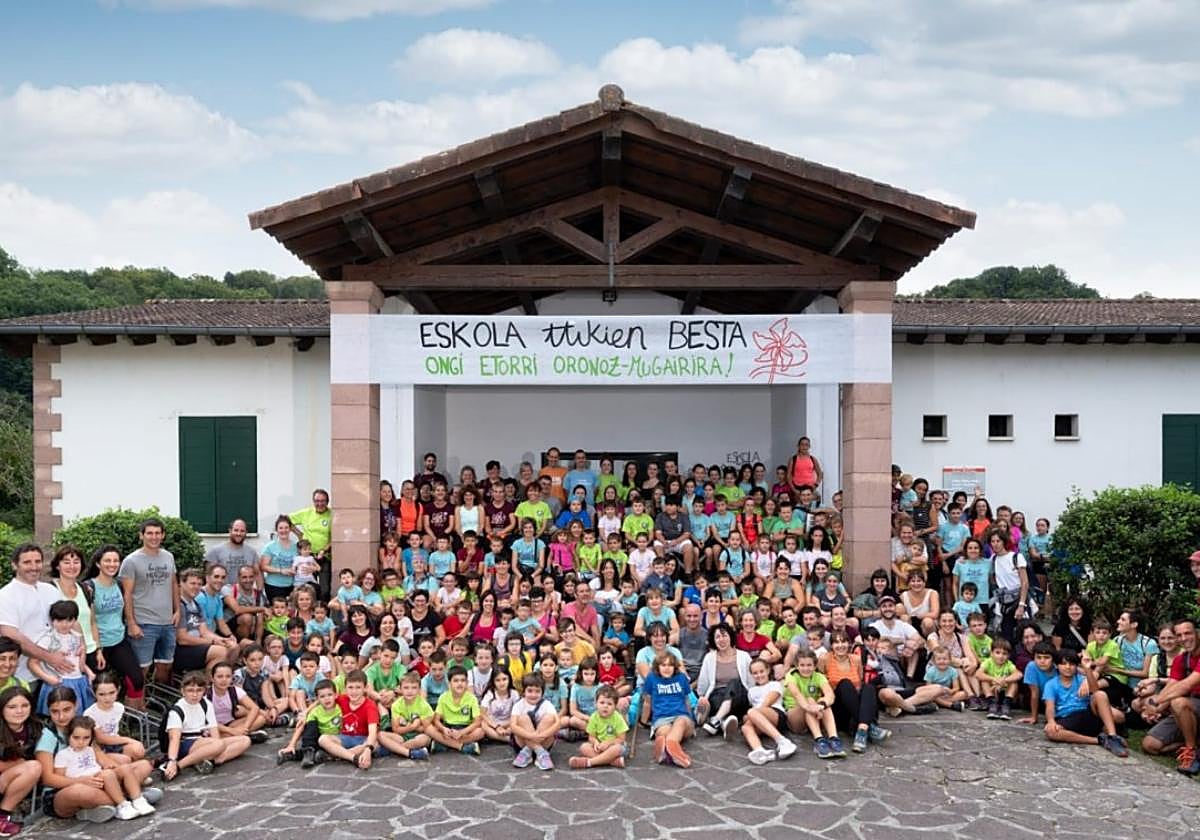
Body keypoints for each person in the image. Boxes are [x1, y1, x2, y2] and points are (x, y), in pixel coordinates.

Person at [36, 685, 160, 824]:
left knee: (140, 765)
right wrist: (81, 780)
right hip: (65, 789)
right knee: (80, 792)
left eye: (66, 710)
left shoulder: (81, 725)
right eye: (55, 712)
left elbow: (99, 755)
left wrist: (116, 770)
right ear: (49, 711)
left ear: (76, 705)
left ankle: (115, 802)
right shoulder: (48, 736)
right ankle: (134, 796)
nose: (61, 716)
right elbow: (48, 779)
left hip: (94, 776)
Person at [0, 544, 77, 688]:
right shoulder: (5, 596)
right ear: (14, 565)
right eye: (27, 562)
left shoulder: (50, 590)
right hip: (26, 675)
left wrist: (80, 644)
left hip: (57, 671)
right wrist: (49, 658)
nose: (34, 567)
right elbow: (11, 635)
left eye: (37, 561)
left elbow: (68, 619)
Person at [84, 545, 145, 709]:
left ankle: (128, 720)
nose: (112, 564)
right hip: (98, 645)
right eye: (107, 561)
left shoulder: (119, 585)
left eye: (116, 561)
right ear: (98, 564)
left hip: (118, 640)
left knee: (136, 680)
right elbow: (88, 621)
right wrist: (97, 649)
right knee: (98, 688)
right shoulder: (89, 587)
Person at [161, 670, 251, 779]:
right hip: (185, 744)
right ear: (183, 691)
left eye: (199, 690)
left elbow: (213, 729)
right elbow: (174, 738)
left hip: (203, 740)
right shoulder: (177, 710)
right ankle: (180, 765)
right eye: (190, 690)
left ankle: (209, 760)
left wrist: (217, 747)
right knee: (219, 745)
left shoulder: (206, 704)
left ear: (204, 691)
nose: (195, 694)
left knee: (245, 740)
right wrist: (172, 760)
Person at [1141, 617, 1200, 774]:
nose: (1183, 639)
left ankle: (1191, 751)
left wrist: (1156, 701)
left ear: (1197, 633)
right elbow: (1172, 684)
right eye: (1179, 635)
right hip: (1192, 705)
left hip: (1192, 703)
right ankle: (1193, 742)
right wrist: (1155, 708)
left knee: (1178, 702)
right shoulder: (1181, 659)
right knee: (1150, 745)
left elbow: (1186, 685)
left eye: (1188, 633)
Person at [1043, 650, 1128, 757]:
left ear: (1077, 666)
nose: (1068, 667)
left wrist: (1087, 669)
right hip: (1067, 717)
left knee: (1100, 695)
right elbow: (1049, 707)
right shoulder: (1050, 684)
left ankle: (1112, 736)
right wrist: (1051, 721)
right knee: (1051, 732)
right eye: (1063, 664)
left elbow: (1095, 690)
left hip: (1087, 713)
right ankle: (1099, 740)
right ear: (1056, 665)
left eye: (1072, 664)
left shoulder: (1082, 679)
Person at [29, 601, 94, 715]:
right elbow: (33, 663)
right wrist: (48, 679)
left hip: (79, 681)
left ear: (75, 620)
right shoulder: (48, 639)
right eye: (59, 620)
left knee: (78, 714)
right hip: (59, 682)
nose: (64, 624)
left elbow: (77, 660)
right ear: (52, 620)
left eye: (69, 620)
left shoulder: (76, 636)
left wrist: (89, 672)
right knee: (59, 715)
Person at [0, 685, 44, 833]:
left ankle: (2, 817)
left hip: (10, 781)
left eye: (25, 705)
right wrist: (17, 764)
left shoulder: (36, 727)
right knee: (32, 766)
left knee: (34, 767)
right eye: (12, 707)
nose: (19, 711)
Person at [782, 649, 843, 756]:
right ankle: (819, 740)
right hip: (796, 716)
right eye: (802, 665)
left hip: (815, 715)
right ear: (797, 665)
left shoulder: (819, 676)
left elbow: (830, 695)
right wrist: (811, 707)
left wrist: (821, 705)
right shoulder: (791, 675)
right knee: (810, 700)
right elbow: (797, 694)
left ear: (815, 666)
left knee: (825, 703)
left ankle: (833, 738)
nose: (806, 668)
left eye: (809, 665)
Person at [740, 657, 797, 765]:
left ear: (768, 670)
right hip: (760, 718)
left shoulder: (775, 684)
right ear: (751, 675)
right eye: (755, 673)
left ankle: (782, 741)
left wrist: (751, 715)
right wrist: (750, 717)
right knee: (745, 727)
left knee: (752, 712)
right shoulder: (751, 691)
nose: (759, 675)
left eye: (761, 671)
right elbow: (753, 710)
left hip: (775, 714)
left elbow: (768, 702)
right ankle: (760, 751)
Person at [290, 489, 334, 599]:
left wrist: (324, 549)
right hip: (306, 557)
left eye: (323, 501)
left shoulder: (332, 515)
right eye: (317, 501)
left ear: (327, 502)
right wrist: (299, 534)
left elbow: (335, 537)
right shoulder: (306, 513)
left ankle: (323, 613)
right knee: (307, 590)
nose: (319, 504)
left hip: (324, 556)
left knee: (325, 590)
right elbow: (286, 519)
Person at [511, 674, 559, 771]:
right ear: (524, 691)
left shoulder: (547, 705)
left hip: (544, 741)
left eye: (537, 691)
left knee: (550, 718)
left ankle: (531, 751)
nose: (533, 694)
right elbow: (513, 725)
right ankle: (540, 752)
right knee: (522, 718)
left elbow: (557, 723)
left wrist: (543, 735)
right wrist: (531, 736)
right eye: (530, 691)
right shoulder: (519, 705)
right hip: (522, 743)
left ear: (542, 692)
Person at [204, 519, 259, 584]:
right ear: (230, 531)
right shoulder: (215, 551)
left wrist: (259, 591)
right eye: (236, 530)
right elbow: (208, 575)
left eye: (242, 531)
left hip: (244, 592)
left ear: (246, 532)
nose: (239, 533)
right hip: (222, 592)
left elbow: (258, 574)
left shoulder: (252, 552)